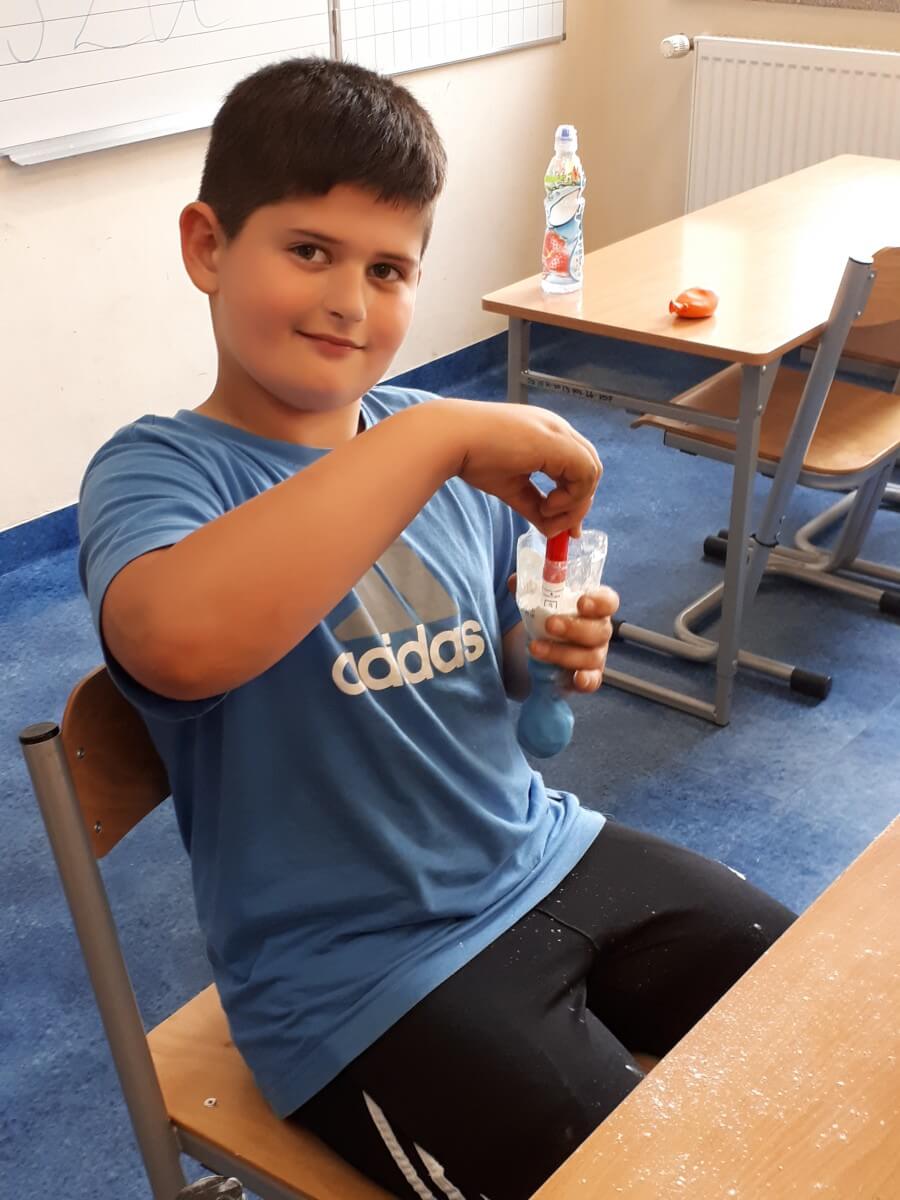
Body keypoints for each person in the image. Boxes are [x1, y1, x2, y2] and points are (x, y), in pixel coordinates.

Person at [78, 57, 795, 1200]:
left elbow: (495, 673)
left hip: (542, 853)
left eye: (388, 269)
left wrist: (542, 648)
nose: (349, 303)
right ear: (209, 246)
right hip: (360, 981)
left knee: (822, 1002)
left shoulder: (441, 447)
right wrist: (434, 439)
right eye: (309, 251)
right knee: (637, 1182)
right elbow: (176, 646)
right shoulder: (160, 473)